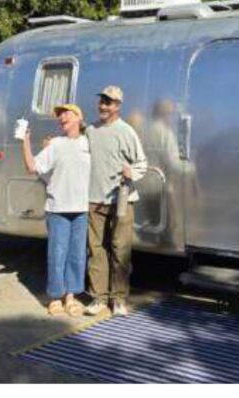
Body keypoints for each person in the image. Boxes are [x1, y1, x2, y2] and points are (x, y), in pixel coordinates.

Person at [21, 104, 91, 317]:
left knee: (77, 255)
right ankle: (55, 297)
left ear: (79, 118)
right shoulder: (56, 144)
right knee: (57, 255)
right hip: (58, 208)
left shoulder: (89, 143)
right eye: (60, 115)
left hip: (81, 209)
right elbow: (32, 167)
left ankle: (71, 296)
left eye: (67, 113)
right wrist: (24, 141)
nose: (62, 117)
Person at [84, 86, 147, 317]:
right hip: (93, 199)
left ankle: (119, 299)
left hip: (121, 200)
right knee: (96, 250)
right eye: (101, 101)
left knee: (120, 250)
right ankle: (99, 298)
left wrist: (132, 172)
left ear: (118, 106)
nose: (103, 106)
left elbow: (142, 163)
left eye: (108, 102)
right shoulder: (90, 130)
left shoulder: (126, 131)